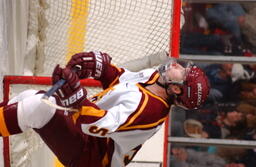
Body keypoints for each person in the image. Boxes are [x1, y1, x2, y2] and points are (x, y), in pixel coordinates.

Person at [0, 51, 210, 167]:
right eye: (185, 67)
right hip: (90, 141)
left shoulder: (150, 111)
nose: (177, 66)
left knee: (39, 108)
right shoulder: (155, 78)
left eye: (182, 72)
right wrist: (101, 68)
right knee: (31, 98)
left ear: (175, 88)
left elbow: (94, 124)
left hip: (91, 156)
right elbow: (120, 79)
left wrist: (77, 98)